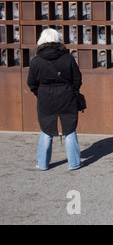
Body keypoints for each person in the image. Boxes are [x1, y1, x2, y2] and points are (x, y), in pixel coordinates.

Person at [27, 28, 82, 171]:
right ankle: (74, 163)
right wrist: (71, 90)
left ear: (42, 40)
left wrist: (40, 93)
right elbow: (77, 79)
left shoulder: (36, 61)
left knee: (46, 129)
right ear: (58, 39)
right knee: (69, 129)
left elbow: (31, 83)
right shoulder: (68, 58)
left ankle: (43, 163)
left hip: (45, 97)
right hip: (66, 95)